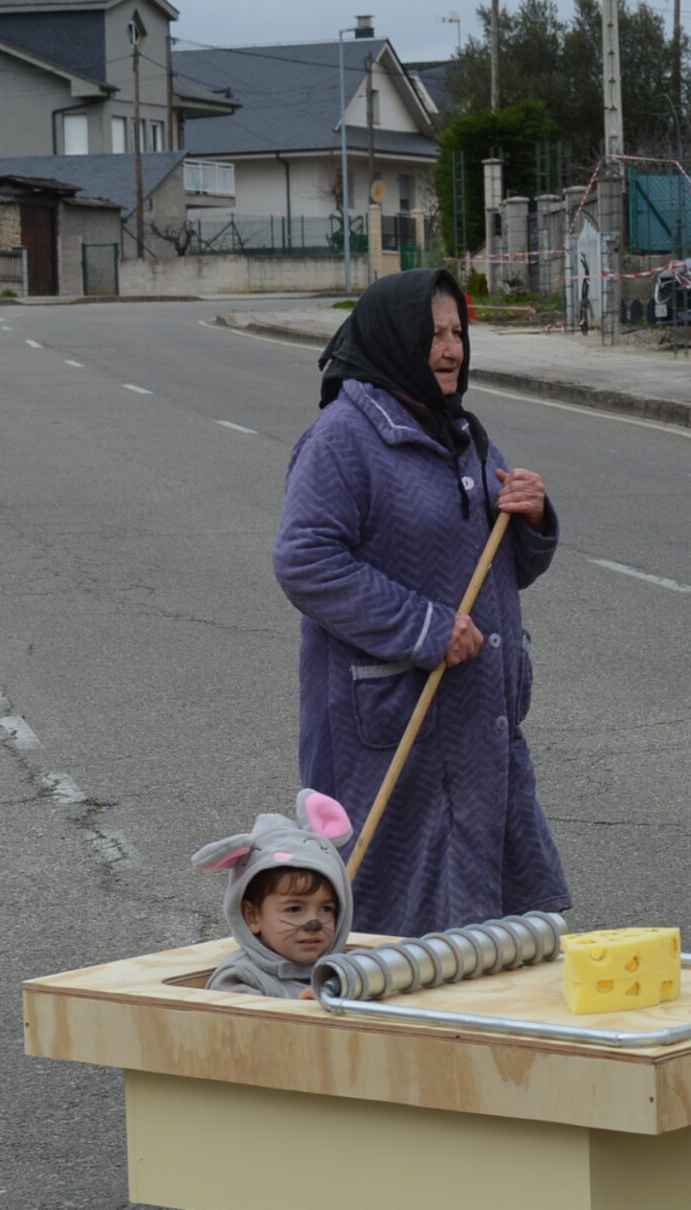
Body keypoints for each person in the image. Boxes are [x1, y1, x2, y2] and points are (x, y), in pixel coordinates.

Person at [274, 269, 568, 936]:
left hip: (476, 728)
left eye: (458, 332)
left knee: (491, 937)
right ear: (394, 339)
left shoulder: (463, 433)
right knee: (393, 935)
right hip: (391, 725)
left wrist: (533, 516)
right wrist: (424, 627)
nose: (451, 349)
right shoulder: (341, 440)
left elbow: (505, 568)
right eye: (433, 334)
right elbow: (304, 560)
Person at [192, 791, 355, 998]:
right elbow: (239, 1027)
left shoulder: (349, 970)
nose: (314, 923)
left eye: (326, 908)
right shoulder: (239, 979)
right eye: (294, 909)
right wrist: (300, 1014)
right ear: (252, 917)